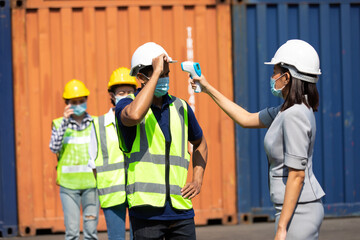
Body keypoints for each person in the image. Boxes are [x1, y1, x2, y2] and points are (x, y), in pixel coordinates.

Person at [191, 39, 325, 240]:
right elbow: (245, 119)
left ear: (287, 77)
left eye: (275, 72)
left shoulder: (294, 115)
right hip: (296, 210)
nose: (272, 77)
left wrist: (281, 228)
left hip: (299, 212)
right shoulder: (287, 111)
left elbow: (297, 175)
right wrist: (207, 88)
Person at [115, 42, 208, 240]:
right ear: (140, 77)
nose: (164, 78)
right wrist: (156, 73)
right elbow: (134, 115)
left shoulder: (181, 107)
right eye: (159, 73)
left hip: (181, 210)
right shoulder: (126, 105)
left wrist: (197, 179)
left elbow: (200, 143)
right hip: (146, 213)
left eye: (166, 73)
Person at [88, 67, 137, 240]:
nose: (126, 95)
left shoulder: (143, 121)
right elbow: (92, 162)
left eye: (130, 91)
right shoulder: (98, 124)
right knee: (116, 238)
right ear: (112, 95)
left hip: (138, 192)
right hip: (111, 193)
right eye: (121, 92)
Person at [49, 79, 99, 240]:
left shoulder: (95, 123)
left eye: (81, 101)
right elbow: (54, 147)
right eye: (74, 102)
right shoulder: (59, 124)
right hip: (68, 186)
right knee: (71, 233)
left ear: (86, 101)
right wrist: (65, 122)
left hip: (91, 184)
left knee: (91, 233)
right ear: (67, 103)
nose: (78, 104)